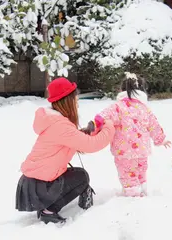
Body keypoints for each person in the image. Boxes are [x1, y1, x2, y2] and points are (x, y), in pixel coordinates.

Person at [15, 77, 115, 224]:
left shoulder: (54, 122)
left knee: (78, 174)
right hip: (38, 186)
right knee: (81, 177)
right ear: (67, 100)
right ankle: (48, 210)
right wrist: (109, 126)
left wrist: (89, 131)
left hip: (34, 182)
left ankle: (47, 205)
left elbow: (75, 139)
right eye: (75, 98)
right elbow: (91, 145)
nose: (77, 102)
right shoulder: (60, 126)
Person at [84, 72, 171, 197]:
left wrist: (91, 129)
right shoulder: (144, 108)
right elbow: (154, 125)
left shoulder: (117, 107)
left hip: (123, 152)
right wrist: (160, 139)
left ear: (121, 90)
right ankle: (142, 189)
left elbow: (101, 118)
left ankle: (132, 195)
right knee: (141, 172)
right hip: (142, 150)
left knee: (127, 174)